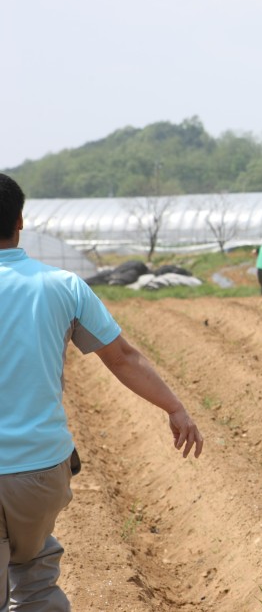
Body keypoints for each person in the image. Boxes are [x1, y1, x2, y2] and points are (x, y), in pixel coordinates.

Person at [0, 173, 204, 611]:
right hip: (39, 471)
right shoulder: (62, 286)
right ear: (20, 220)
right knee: (33, 572)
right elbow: (123, 358)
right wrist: (175, 408)